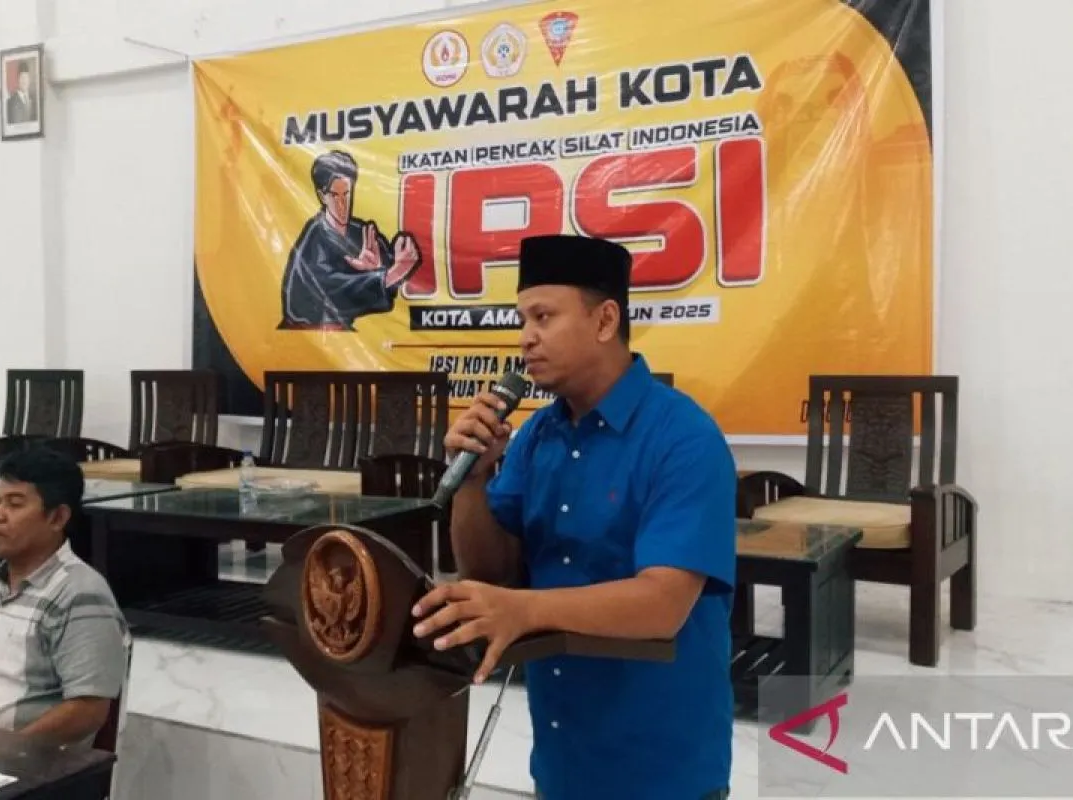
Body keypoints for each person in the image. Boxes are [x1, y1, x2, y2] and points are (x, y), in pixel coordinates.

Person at [411, 234, 737, 799]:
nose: (525, 337)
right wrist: (474, 479)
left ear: (605, 320)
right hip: (561, 762)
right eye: (522, 319)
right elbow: (491, 574)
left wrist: (523, 609)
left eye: (544, 317)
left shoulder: (684, 438)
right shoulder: (536, 436)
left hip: (663, 771)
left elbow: (662, 605)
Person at [0, 446, 129, 748]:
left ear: (57, 517)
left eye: (14, 504)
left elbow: (88, 710)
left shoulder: (80, 594)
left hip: (27, 766)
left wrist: (6, 753)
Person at [278, 149, 422, 331]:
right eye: (335, 195)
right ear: (322, 196)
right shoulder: (314, 237)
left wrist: (379, 269)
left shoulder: (362, 233)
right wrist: (392, 273)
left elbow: (388, 290)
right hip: (307, 335)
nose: (342, 205)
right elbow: (331, 290)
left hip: (346, 335)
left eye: (346, 194)